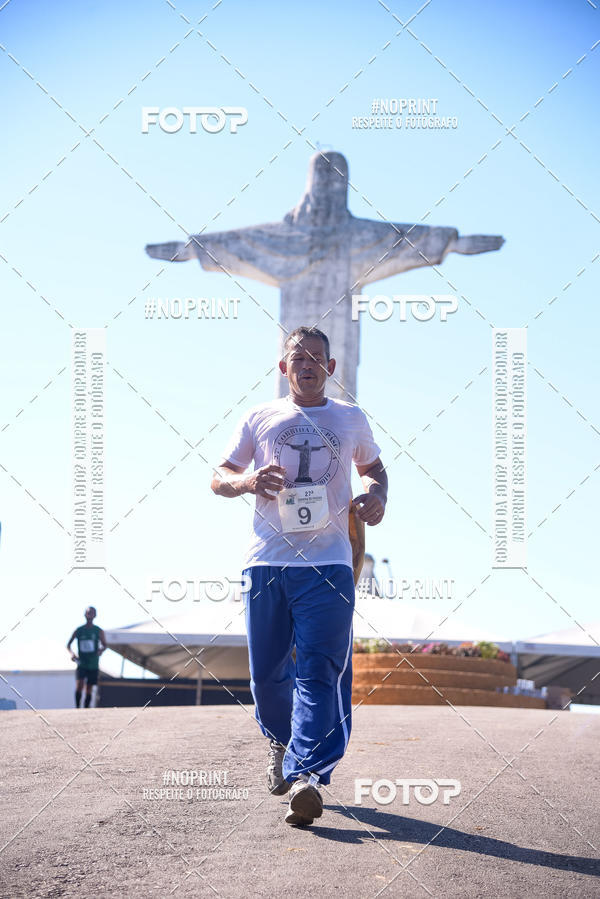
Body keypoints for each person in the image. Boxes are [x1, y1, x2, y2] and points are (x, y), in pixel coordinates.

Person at [211, 326, 388, 826]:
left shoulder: (349, 418)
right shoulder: (259, 417)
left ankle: (308, 775)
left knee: (319, 670)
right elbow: (217, 478)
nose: (307, 364)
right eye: (297, 357)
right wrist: (247, 481)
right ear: (283, 367)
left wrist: (377, 495)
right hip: (267, 562)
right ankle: (280, 743)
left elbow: (376, 469)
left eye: (317, 358)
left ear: (330, 369)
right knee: (267, 672)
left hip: (328, 563)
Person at [67, 607, 107, 708]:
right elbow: (68, 645)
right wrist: (72, 654)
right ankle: (77, 707)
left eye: (92, 613)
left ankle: (86, 709)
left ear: (95, 615)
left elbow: (105, 645)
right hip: (82, 663)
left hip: (93, 663)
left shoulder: (98, 631)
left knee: (89, 687)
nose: (90, 616)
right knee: (79, 685)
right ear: (85, 615)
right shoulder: (79, 630)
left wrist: (100, 650)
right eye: (88, 613)